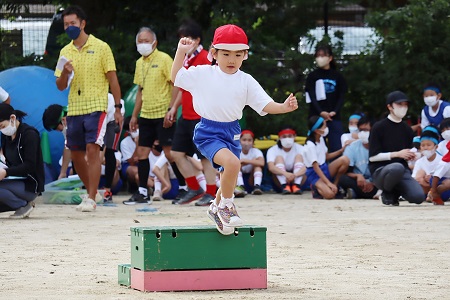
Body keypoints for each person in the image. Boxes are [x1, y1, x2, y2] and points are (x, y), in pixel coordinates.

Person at [171, 24, 298, 235]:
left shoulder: (246, 81)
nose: (232, 59)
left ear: (245, 55)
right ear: (214, 53)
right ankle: (227, 207)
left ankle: (215, 208)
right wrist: (180, 52)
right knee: (232, 163)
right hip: (207, 131)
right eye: (226, 54)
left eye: (238, 54)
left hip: (232, 133)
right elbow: (176, 77)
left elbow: (265, 105)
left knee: (228, 173)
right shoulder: (203, 73)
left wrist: (284, 107)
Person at [54, 5, 123, 212]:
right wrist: (65, 73)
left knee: (93, 150)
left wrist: (118, 108)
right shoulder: (64, 51)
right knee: (75, 154)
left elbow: (113, 79)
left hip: (97, 106)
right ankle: (93, 192)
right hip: (74, 108)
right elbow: (59, 85)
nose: (69, 27)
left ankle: (91, 197)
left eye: (72, 23)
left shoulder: (102, 47)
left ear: (82, 24)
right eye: (66, 24)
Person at [124, 27, 181, 205]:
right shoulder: (139, 63)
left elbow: (176, 85)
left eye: (146, 40)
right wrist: (134, 116)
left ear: (154, 42)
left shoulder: (164, 59)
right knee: (142, 152)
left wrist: (171, 109)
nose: (143, 44)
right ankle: (142, 191)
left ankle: (185, 187)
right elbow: (139, 91)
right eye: (140, 41)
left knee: (170, 153)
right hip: (146, 115)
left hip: (163, 113)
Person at [169, 20, 218, 206]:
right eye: (181, 39)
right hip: (186, 114)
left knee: (205, 156)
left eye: (187, 39)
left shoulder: (206, 58)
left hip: (202, 115)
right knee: (176, 153)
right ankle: (194, 188)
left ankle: (211, 192)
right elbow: (184, 87)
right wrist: (174, 107)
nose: (184, 42)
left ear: (197, 40)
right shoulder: (185, 59)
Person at [369, 91, 424, 206]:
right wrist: (397, 154)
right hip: (381, 171)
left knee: (418, 196)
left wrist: (414, 155)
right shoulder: (379, 127)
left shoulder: (407, 129)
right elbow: (372, 157)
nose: (403, 108)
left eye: (405, 105)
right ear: (390, 106)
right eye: (399, 105)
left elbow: (412, 150)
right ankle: (387, 191)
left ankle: (396, 191)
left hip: (402, 171)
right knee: (396, 167)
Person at [0, 103, 44, 218]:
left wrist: (6, 172)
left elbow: (30, 165)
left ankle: (22, 205)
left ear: (12, 118)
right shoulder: (6, 137)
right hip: (14, 180)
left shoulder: (29, 135)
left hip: (30, 184)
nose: (2, 130)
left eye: (2, 126)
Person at [305, 44, 347, 153]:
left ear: (330, 58)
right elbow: (312, 96)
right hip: (316, 117)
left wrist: (334, 111)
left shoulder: (338, 76)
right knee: (316, 146)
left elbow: (341, 96)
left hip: (334, 117)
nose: (320, 58)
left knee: (336, 146)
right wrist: (321, 112)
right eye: (318, 55)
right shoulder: (312, 76)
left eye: (323, 55)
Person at [302, 116, 349, 199]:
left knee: (345, 160)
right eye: (324, 126)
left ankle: (335, 184)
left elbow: (326, 156)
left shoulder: (321, 139)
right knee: (329, 195)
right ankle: (317, 188)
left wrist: (341, 151)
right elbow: (315, 167)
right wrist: (328, 183)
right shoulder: (310, 145)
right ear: (317, 130)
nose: (326, 128)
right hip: (315, 174)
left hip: (324, 168)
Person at [338, 116, 378, 199]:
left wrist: (373, 183)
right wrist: (357, 176)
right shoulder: (352, 147)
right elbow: (346, 171)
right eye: (361, 130)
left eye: (366, 130)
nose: (363, 133)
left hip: (377, 182)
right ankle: (368, 193)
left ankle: (356, 193)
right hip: (358, 181)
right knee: (342, 178)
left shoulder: (381, 146)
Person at [266, 127, 305, 195]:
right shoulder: (272, 150)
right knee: (279, 158)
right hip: (279, 182)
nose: (287, 139)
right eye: (284, 136)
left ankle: (296, 185)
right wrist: (285, 174)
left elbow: (308, 166)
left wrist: (294, 175)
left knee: (299, 157)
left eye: (290, 136)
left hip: (298, 178)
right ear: (279, 138)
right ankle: (284, 186)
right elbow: (271, 167)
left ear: (294, 136)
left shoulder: (301, 149)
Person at [102, 93, 125, 203]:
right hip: (96, 116)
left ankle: (107, 190)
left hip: (112, 117)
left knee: (109, 151)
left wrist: (118, 110)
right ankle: (88, 189)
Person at [42, 104, 70, 180]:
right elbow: (68, 146)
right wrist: (63, 172)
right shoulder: (66, 127)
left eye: (57, 128)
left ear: (63, 120)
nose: (58, 131)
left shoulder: (81, 119)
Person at [412, 126, 442, 197]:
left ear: (436, 147)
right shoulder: (419, 162)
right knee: (420, 173)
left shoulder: (441, 160)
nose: (425, 148)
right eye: (423, 145)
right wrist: (423, 180)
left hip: (439, 187)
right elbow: (415, 178)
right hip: (425, 187)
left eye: (429, 145)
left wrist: (431, 179)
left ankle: (432, 194)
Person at [235, 129, 265, 196]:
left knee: (258, 167)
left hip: (251, 178)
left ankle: (257, 187)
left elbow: (262, 163)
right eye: (244, 140)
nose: (247, 143)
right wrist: (253, 161)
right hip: (238, 178)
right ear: (239, 140)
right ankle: (241, 187)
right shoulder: (235, 151)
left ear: (253, 141)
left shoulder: (256, 151)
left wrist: (244, 161)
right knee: (237, 168)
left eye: (249, 140)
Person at [119, 116, 139, 194]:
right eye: (132, 126)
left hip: (144, 164)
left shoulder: (147, 139)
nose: (135, 128)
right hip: (129, 165)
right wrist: (137, 144)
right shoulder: (124, 142)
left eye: (136, 125)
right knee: (136, 170)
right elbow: (131, 162)